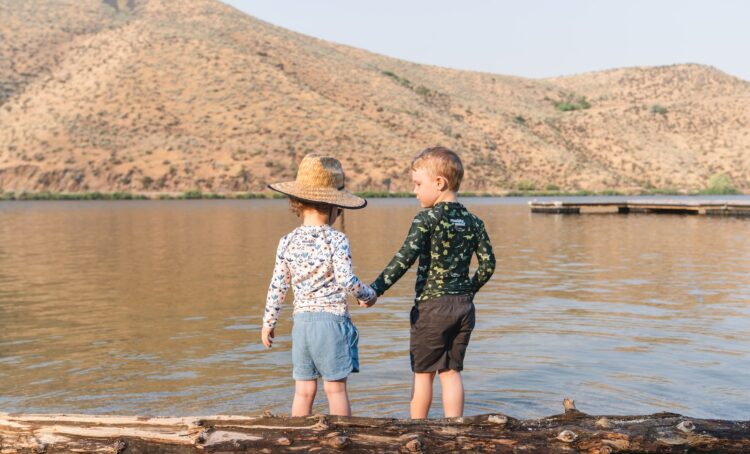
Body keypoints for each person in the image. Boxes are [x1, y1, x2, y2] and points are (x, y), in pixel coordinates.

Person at [370, 146, 495, 419]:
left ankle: (417, 433)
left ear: (439, 183)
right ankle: (455, 432)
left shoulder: (426, 218)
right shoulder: (475, 222)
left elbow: (404, 258)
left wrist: (376, 289)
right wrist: (468, 291)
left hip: (432, 308)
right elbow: (488, 265)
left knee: (423, 374)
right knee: (451, 373)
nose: (414, 191)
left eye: (417, 184)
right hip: (463, 309)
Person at [262, 154, 377, 417]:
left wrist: (268, 322)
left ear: (297, 203)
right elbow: (347, 280)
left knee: (303, 392)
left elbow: (277, 286)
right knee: (335, 391)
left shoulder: (287, 240)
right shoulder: (337, 240)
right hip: (331, 324)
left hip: (301, 325)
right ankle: (345, 441)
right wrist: (368, 294)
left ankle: (295, 441)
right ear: (336, 206)